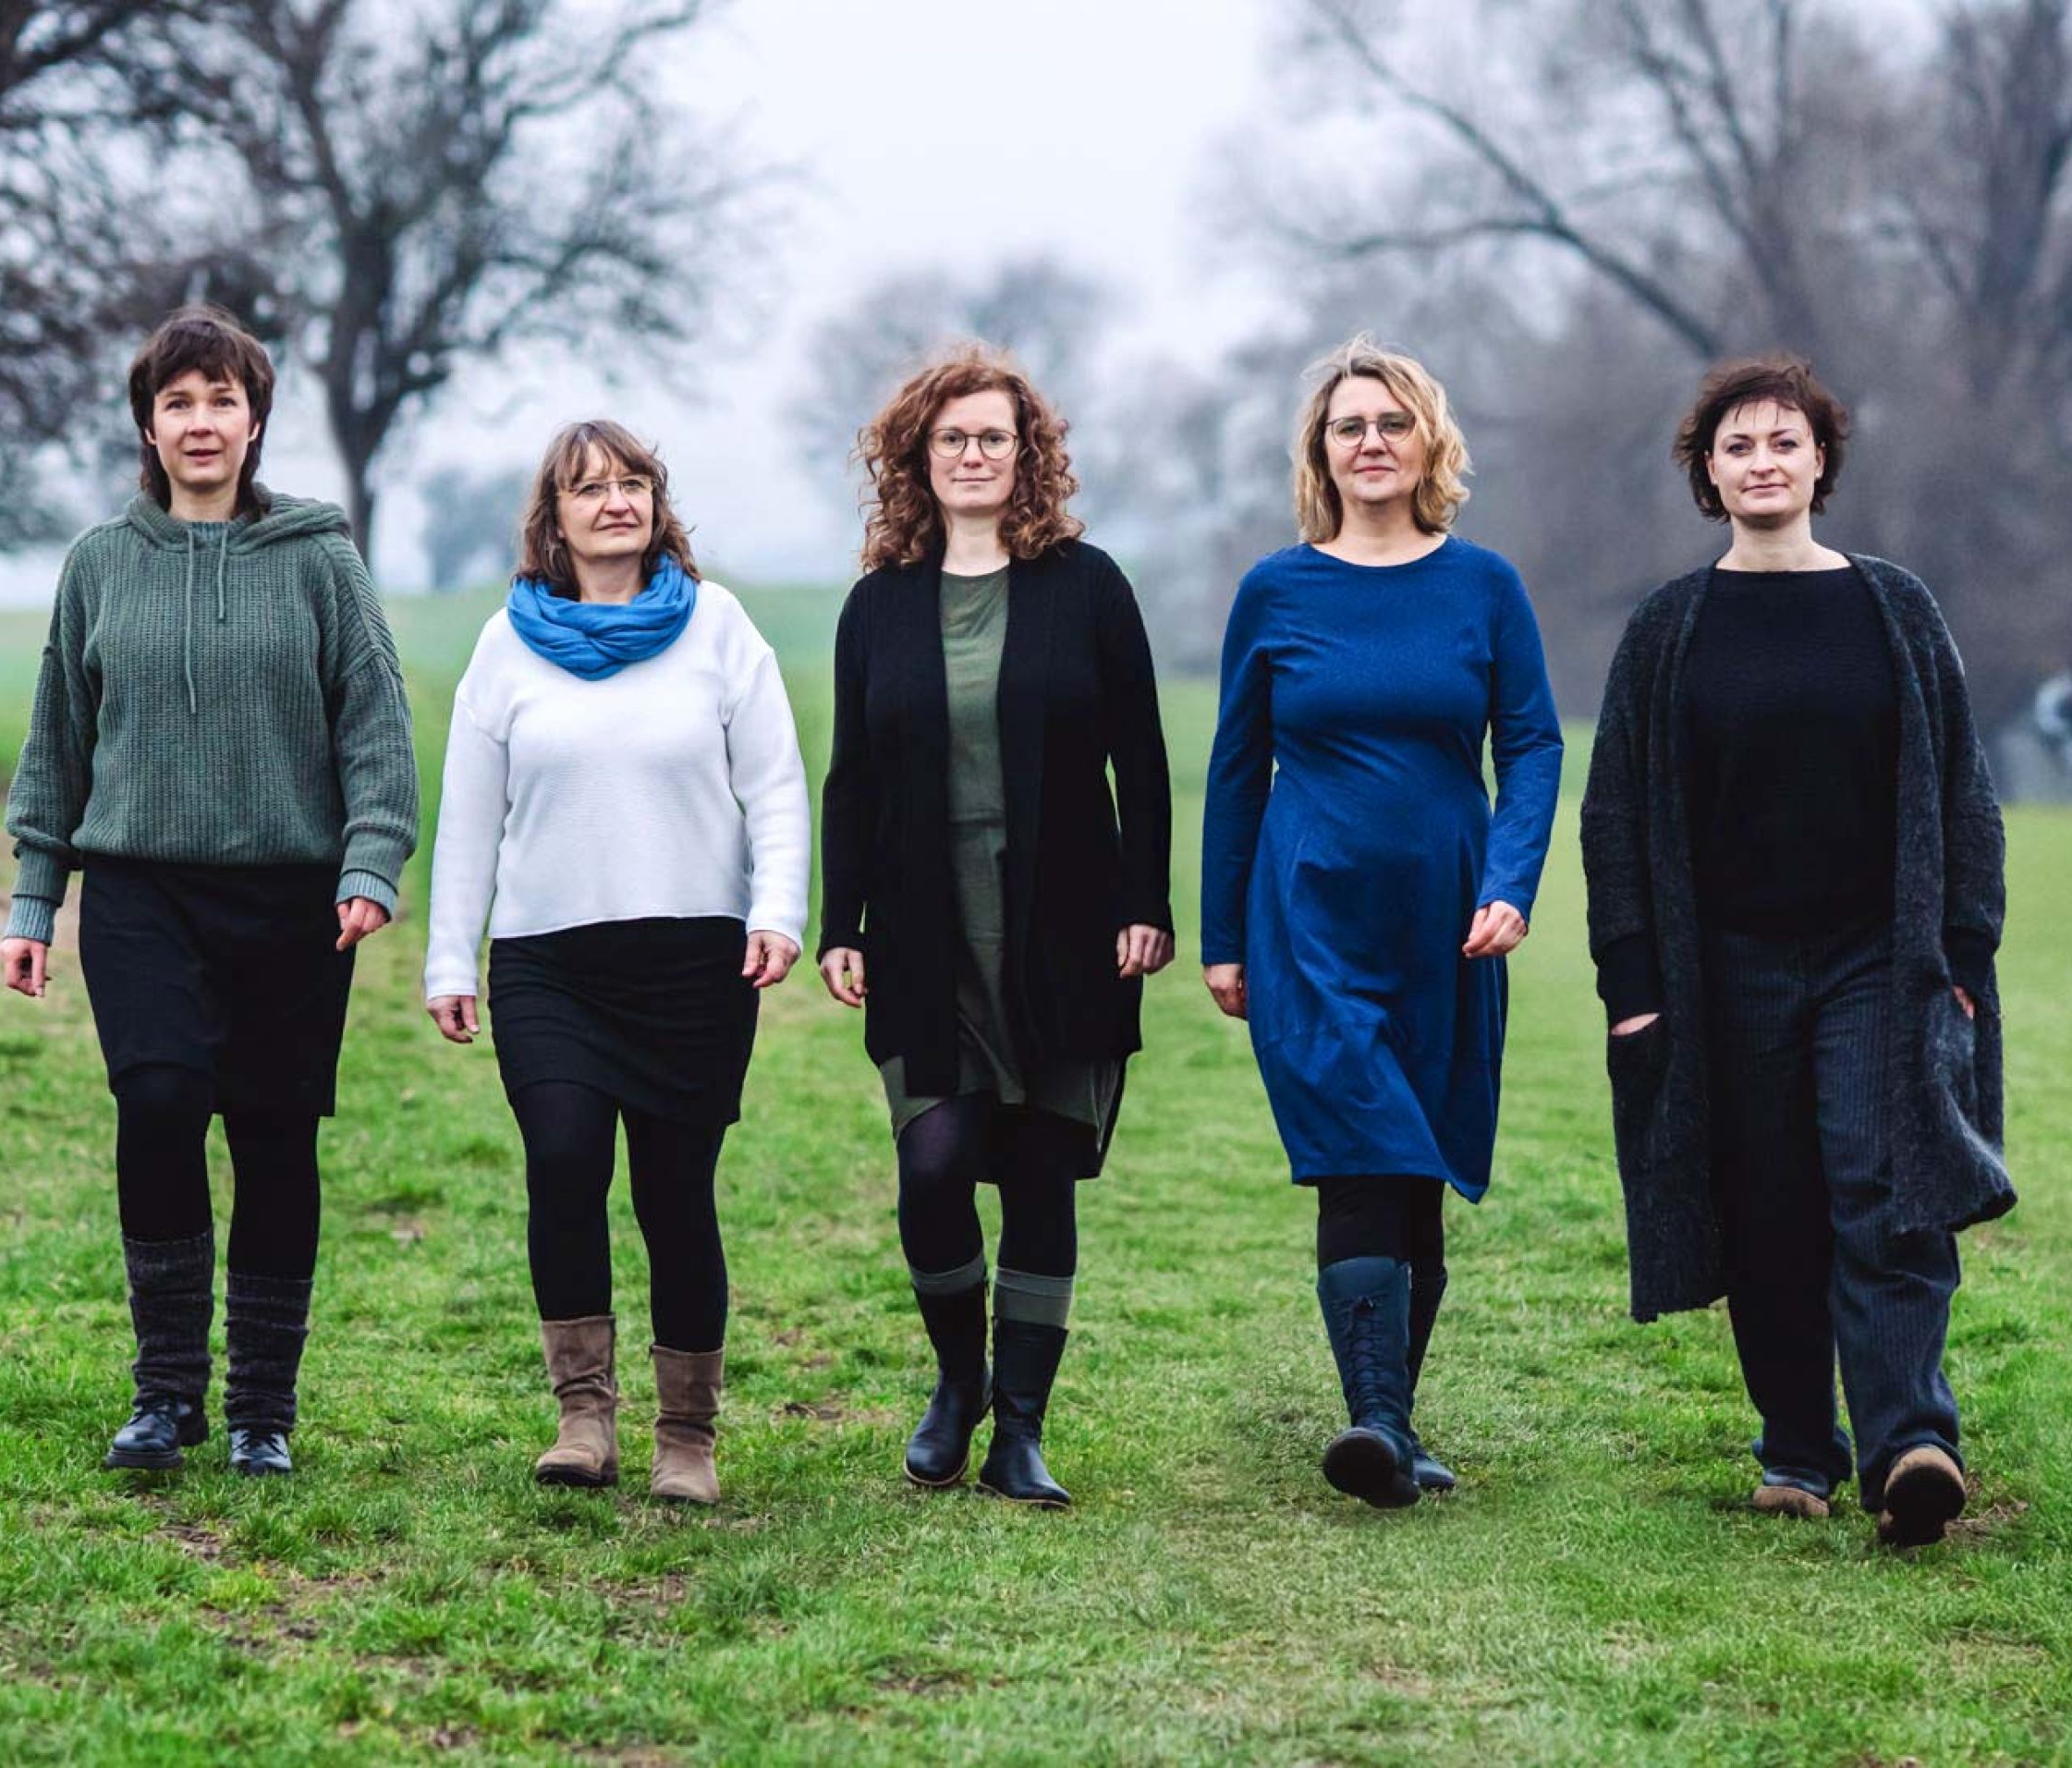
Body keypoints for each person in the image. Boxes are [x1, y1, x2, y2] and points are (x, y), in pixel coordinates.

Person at [1577, 353, 2011, 1547]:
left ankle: (1910, 1444)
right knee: (1765, 1204)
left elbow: (1963, 791)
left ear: (1821, 461)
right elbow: (1613, 817)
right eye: (1738, 446)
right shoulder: (1669, 628)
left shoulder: (1894, 608)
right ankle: (1795, 1449)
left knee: (1887, 1183)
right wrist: (1632, 980)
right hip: (1724, 967)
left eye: (1784, 442)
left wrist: (1962, 952)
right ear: (1707, 475)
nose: (1762, 462)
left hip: (1878, 956)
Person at [0, 303, 418, 1479]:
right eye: (177, 401)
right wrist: (35, 898)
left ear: (254, 420)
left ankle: (260, 1411)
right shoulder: (99, 564)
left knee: (275, 1135)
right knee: (160, 1100)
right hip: (140, 890)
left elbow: (376, 724)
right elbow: (58, 737)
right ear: (148, 423)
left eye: (221, 400)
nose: (200, 421)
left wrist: (371, 861)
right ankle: (165, 1393)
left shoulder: (322, 560)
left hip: (291, 897)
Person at [1201, 335, 1564, 1509]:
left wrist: (1511, 881)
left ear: (1427, 443)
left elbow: (1533, 741)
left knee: (1420, 1161)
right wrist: (1221, 935)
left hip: (1448, 915)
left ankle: (1389, 1427)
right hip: (1308, 914)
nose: (1370, 441)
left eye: (1391, 422)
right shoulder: (1275, 591)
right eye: (1348, 424)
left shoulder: (1484, 586)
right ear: (1321, 450)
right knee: (1362, 1146)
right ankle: (1375, 1421)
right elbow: (1234, 770)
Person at [421, 421, 808, 1506]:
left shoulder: (718, 627)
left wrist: (777, 909)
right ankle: (583, 1416)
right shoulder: (506, 644)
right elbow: (470, 816)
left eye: (633, 481)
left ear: (656, 503)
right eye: (589, 487)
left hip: (693, 959)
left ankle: (686, 1433)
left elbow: (775, 785)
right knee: (563, 1160)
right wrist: (451, 957)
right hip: (549, 962)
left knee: (676, 1193)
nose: (615, 500)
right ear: (554, 516)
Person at [817, 342, 1175, 1509]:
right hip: (923, 931)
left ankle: (1021, 1428)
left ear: (1028, 456)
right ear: (917, 458)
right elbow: (852, 778)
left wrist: (1148, 902)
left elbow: (1142, 762)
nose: (972, 455)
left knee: (1038, 1173)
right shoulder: (878, 605)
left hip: (1065, 924)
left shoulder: (1089, 586)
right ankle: (957, 1381)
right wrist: (839, 921)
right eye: (952, 438)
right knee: (933, 1163)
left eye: (993, 438)